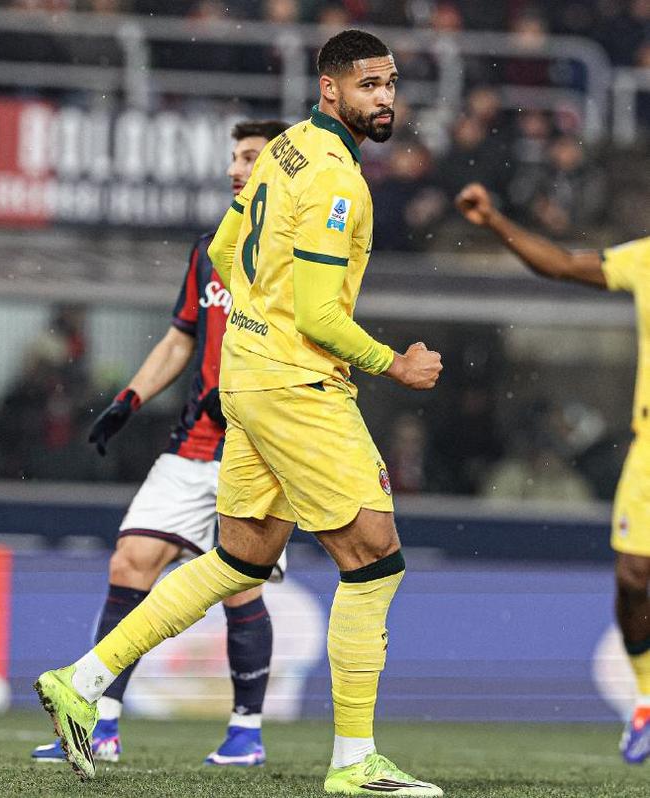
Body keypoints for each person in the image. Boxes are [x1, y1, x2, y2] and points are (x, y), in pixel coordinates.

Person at [34, 29, 444, 796]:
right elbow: (319, 316)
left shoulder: (284, 149)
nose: (385, 98)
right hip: (297, 385)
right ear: (330, 90)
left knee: (238, 560)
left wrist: (258, 314)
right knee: (375, 560)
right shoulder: (337, 180)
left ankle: (81, 681)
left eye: (390, 84)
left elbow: (225, 251)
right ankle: (355, 762)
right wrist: (395, 363)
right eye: (369, 85)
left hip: (245, 381)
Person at [31, 119, 289, 768]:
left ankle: (246, 733)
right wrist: (129, 400)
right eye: (233, 156)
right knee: (130, 563)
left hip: (258, 451)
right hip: (191, 444)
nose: (235, 168)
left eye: (249, 157)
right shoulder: (210, 248)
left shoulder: (299, 248)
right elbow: (181, 337)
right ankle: (101, 725)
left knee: (239, 587)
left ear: (279, 168)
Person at [456, 181, 650, 765]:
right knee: (634, 577)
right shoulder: (645, 258)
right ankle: (646, 697)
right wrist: (496, 221)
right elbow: (563, 264)